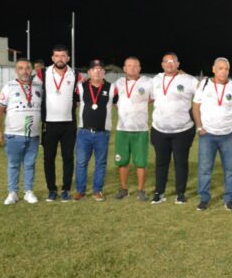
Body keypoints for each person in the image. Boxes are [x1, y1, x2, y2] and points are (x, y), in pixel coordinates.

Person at [192, 57, 232, 211]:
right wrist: (199, 127)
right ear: (214, 69)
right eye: (220, 68)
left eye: (226, 69)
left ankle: (229, 199)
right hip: (207, 135)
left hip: (228, 135)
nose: (223, 71)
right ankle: (204, 198)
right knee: (205, 169)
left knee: (230, 169)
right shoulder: (205, 85)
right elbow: (195, 107)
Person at [150, 52, 198, 205]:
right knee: (160, 162)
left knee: (181, 163)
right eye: (166, 61)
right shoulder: (156, 80)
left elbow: (205, 93)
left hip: (182, 130)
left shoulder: (189, 80)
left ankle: (180, 193)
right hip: (159, 130)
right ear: (162, 64)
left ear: (178, 64)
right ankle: (159, 192)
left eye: (173, 61)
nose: (169, 64)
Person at [0, 59, 43, 205]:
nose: (24, 71)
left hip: (33, 135)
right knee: (13, 164)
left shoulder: (39, 87)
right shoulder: (9, 86)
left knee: (30, 164)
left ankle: (28, 191)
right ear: (16, 70)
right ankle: (13, 193)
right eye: (21, 68)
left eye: (27, 68)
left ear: (32, 70)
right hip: (14, 134)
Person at [40, 45, 82, 202]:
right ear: (52, 58)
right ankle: (52, 189)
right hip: (49, 124)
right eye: (57, 55)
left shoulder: (76, 74)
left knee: (68, 158)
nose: (60, 58)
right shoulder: (43, 73)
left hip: (68, 124)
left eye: (63, 56)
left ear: (68, 58)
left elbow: (79, 96)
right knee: (48, 158)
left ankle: (65, 189)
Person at [72, 60, 117, 201]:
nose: (97, 71)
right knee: (81, 163)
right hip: (84, 132)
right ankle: (80, 190)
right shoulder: (80, 87)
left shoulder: (112, 88)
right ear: (89, 72)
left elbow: (120, 105)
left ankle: (97, 190)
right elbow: (74, 104)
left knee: (100, 163)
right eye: (93, 69)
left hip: (102, 133)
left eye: (100, 69)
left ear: (104, 72)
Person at [112, 57, 153, 201]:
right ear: (124, 68)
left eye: (135, 66)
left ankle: (141, 190)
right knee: (122, 161)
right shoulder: (118, 83)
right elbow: (114, 100)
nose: (132, 68)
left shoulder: (148, 82)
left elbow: (152, 98)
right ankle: (123, 189)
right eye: (129, 66)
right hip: (122, 128)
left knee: (141, 162)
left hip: (140, 129)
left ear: (140, 68)